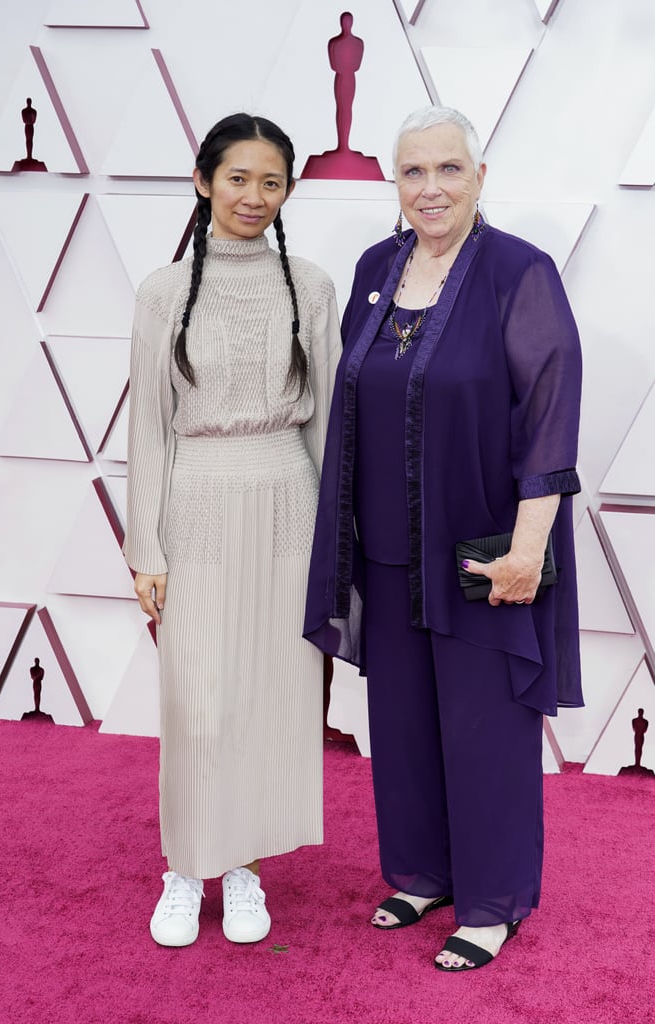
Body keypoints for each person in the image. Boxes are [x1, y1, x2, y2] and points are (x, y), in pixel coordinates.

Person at [304, 105, 583, 972]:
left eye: (448, 170)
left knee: (487, 726)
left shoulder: (517, 272)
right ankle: (423, 872)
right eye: (413, 172)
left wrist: (529, 550)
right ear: (396, 183)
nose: (430, 188)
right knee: (405, 721)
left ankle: (494, 900)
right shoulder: (376, 267)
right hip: (385, 548)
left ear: (479, 177)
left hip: (481, 551)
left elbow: (549, 416)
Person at [124, 113, 341, 948]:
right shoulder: (162, 291)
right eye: (239, 178)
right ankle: (186, 868)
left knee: (271, 701)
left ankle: (245, 865)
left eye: (271, 182)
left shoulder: (311, 287)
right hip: (200, 500)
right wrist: (146, 546)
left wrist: (336, 544)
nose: (254, 196)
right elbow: (149, 425)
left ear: (289, 190)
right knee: (199, 704)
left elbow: (330, 427)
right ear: (204, 180)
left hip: (291, 497)